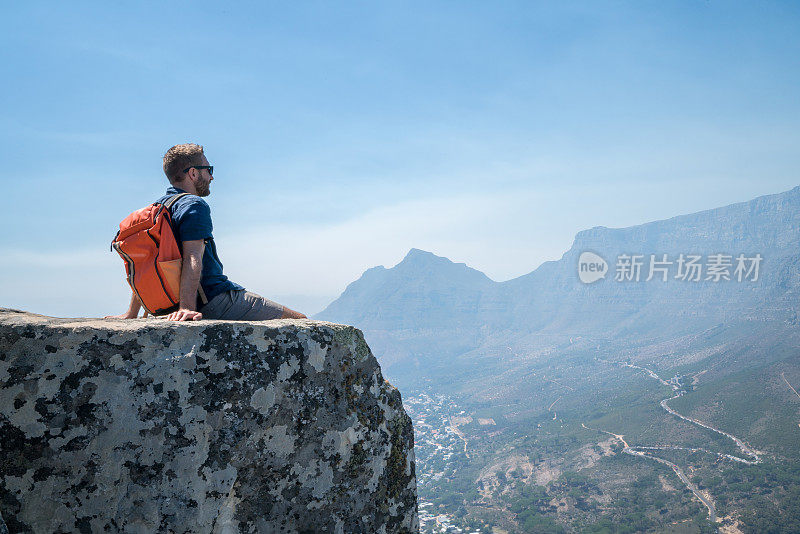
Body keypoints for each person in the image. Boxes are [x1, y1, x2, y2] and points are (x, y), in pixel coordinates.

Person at [107, 143, 306, 321]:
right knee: (299, 321)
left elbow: (146, 262)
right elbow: (194, 256)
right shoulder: (194, 204)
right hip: (213, 298)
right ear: (193, 173)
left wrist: (132, 313)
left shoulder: (158, 208)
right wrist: (187, 307)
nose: (211, 176)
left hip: (169, 305)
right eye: (208, 169)